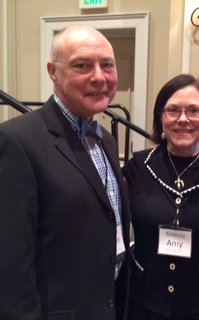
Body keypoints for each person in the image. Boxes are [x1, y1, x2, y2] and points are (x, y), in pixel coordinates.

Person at [0, 25, 131, 320]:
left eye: (107, 65)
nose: (99, 77)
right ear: (53, 72)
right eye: (82, 65)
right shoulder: (17, 141)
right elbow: (10, 265)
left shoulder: (106, 138)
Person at [123, 74, 199, 319]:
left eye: (194, 110)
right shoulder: (139, 166)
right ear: (161, 117)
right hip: (144, 301)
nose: (183, 119)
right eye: (173, 110)